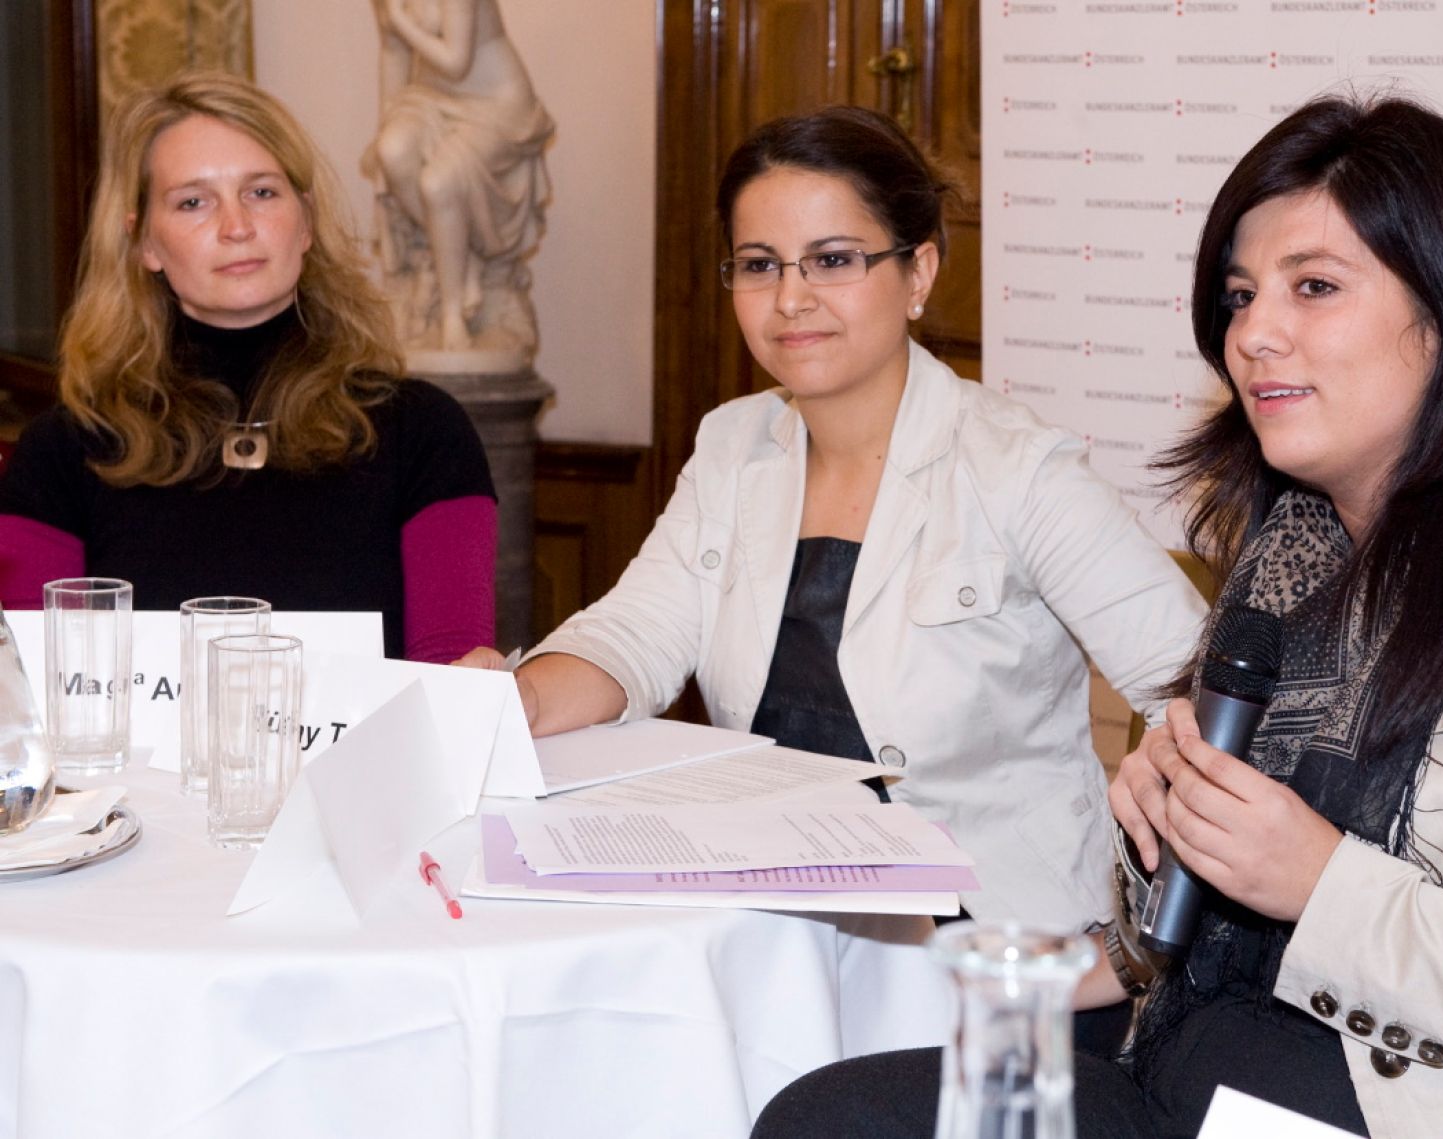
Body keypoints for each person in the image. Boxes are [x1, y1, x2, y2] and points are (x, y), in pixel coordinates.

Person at [752, 94, 1443, 1139]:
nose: (1252, 335)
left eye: (1312, 287)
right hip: (1184, 1074)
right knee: (828, 1112)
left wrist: (1322, 881)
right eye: (1237, 297)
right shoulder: (1290, 559)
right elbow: (1200, 938)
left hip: (1408, 1115)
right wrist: (1166, 835)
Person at [457, 105, 1206, 1026]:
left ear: (919, 270)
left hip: (993, 968)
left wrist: (1131, 952)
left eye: (835, 259)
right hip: (777, 939)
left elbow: (1201, 692)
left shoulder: (1020, 470)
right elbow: (635, 635)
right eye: (760, 265)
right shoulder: (734, 445)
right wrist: (511, 704)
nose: (791, 299)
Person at [0, 71, 497, 664]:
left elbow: (453, 686)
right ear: (145, 244)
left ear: (306, 221)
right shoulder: (60, 453)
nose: (236, 227)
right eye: (193, 202)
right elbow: (39, 690)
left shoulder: (425, 433)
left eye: (261, 192)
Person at [364, 0, 553, 357]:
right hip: (430, 98)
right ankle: (459, 254)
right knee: (391, 152)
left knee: (438, 184)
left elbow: (455, 61)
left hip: (495, 102)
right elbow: (393, 51)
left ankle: (453, 315)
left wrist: (402, 21)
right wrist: (385, 123)